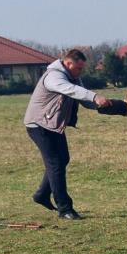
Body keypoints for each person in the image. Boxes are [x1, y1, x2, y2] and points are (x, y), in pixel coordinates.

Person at [24, 49, 112, 220]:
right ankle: (65, 209)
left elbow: (83, 98)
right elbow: (72, 90)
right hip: (39, 125)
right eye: (79, 68)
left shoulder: (73, 77)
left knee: (62, 159)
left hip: (53, 125)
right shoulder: (54, 76)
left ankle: (41, 195)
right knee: (56, 163)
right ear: (68, 63)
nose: (81, 72)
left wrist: (106, 105)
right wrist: (95, 96)